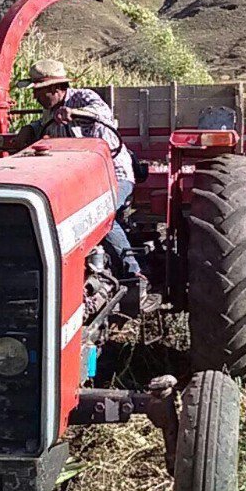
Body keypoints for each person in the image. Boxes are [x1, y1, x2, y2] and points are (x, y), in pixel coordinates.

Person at [15, 59, 158, 308]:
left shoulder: (83, 98)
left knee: (102, 216)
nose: (36, 97)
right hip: (80, 184)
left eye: (38, 92)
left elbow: (100, 114)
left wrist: (75, 114)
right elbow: (42, 126)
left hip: (113, 175)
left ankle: (135, 276)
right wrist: (29, 129)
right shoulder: (49, 113)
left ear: (54, 89)